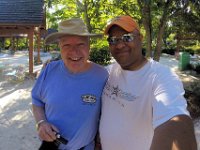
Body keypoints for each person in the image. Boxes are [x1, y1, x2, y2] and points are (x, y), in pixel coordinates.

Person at [99, 15, 197, 150]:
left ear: (140, 38)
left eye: (127, 37)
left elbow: (176, 121)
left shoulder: (161, 76)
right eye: (113, 40)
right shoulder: (108, 72)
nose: (120, 45)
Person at [31, 18, 108, 150]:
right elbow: (36, 101)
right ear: (59, 47)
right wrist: (41, 123)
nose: (74, 52)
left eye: (81, 44)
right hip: (50, 147)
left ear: (89, 46)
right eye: (67, 45)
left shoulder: (103, 76)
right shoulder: (49, 70)